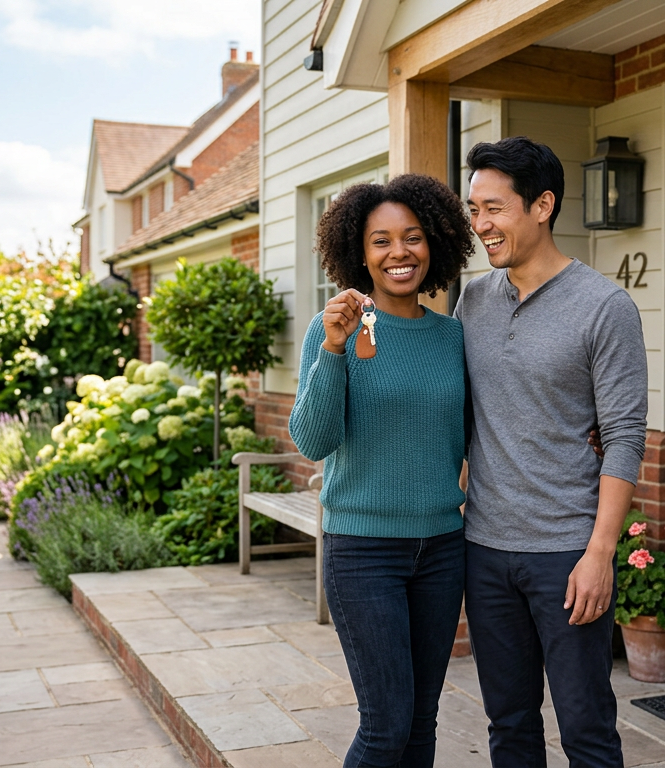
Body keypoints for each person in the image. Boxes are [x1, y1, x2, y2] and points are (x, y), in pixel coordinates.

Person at [456, 136, 648, 767]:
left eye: (495, 209)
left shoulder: (604, 307)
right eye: (474, 209)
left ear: (542, 205)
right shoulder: (474, 301)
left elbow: (624, 436)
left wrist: (600, 554)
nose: (481, 225)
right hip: (485, 550)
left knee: (586, 728)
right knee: (507, 724)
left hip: (566, 554)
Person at [288, 173, 475, 768]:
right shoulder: (331, 329)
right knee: (386, 724)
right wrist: (335, 350)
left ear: (435, 244)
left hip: (443, 550)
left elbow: (479, 434)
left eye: (413, 237)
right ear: (358, 253)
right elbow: (312, 441)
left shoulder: (453, 338)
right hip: (363, 551)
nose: (400, 252)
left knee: (421, 722)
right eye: (381, 241)